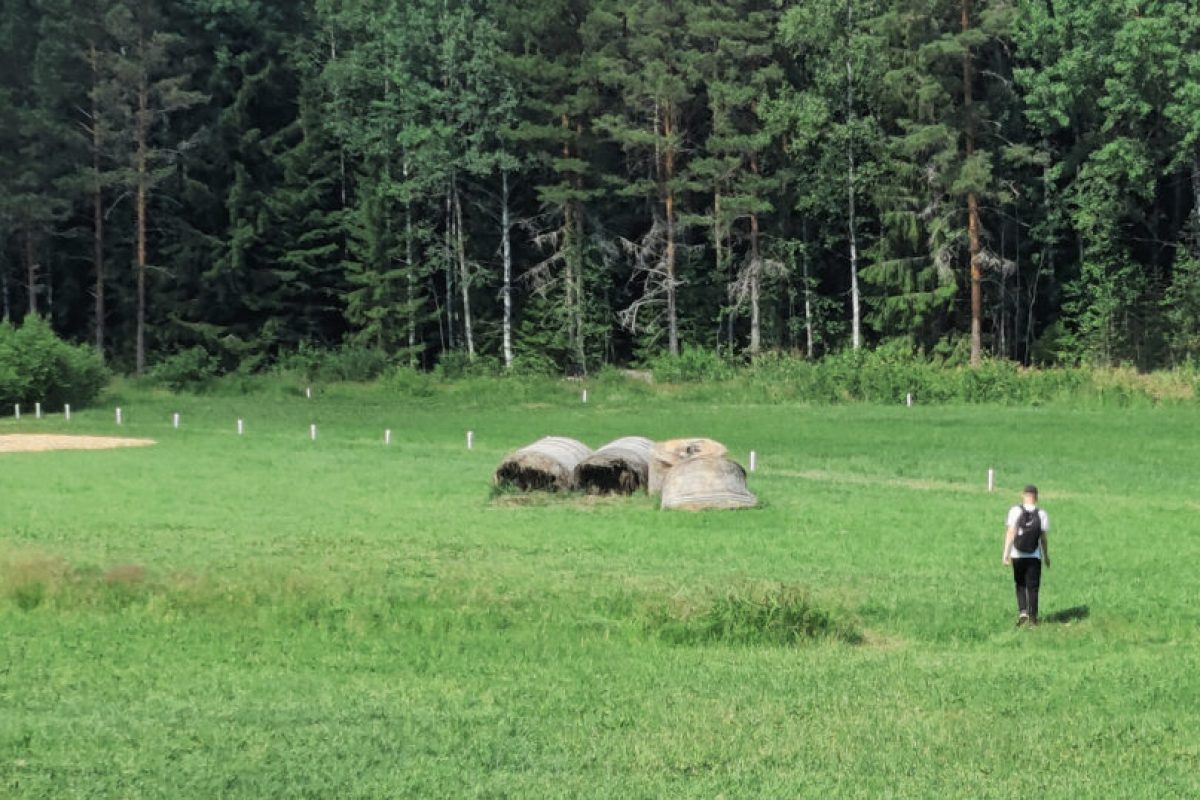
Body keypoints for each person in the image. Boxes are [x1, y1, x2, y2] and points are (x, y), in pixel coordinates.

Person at [1002, 484, 1050, 626]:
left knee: (1020, 584)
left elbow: (1011, 533)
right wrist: (1046, 556)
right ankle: (1033, 619)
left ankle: (1023, 611)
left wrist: (1006, 554)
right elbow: (1043, 538)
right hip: (1034, 555)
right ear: (1036, 497)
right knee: (1033, 587)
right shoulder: (1042, 514)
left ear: (1023, 495)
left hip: (1017, 554)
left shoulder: (1015, 510)